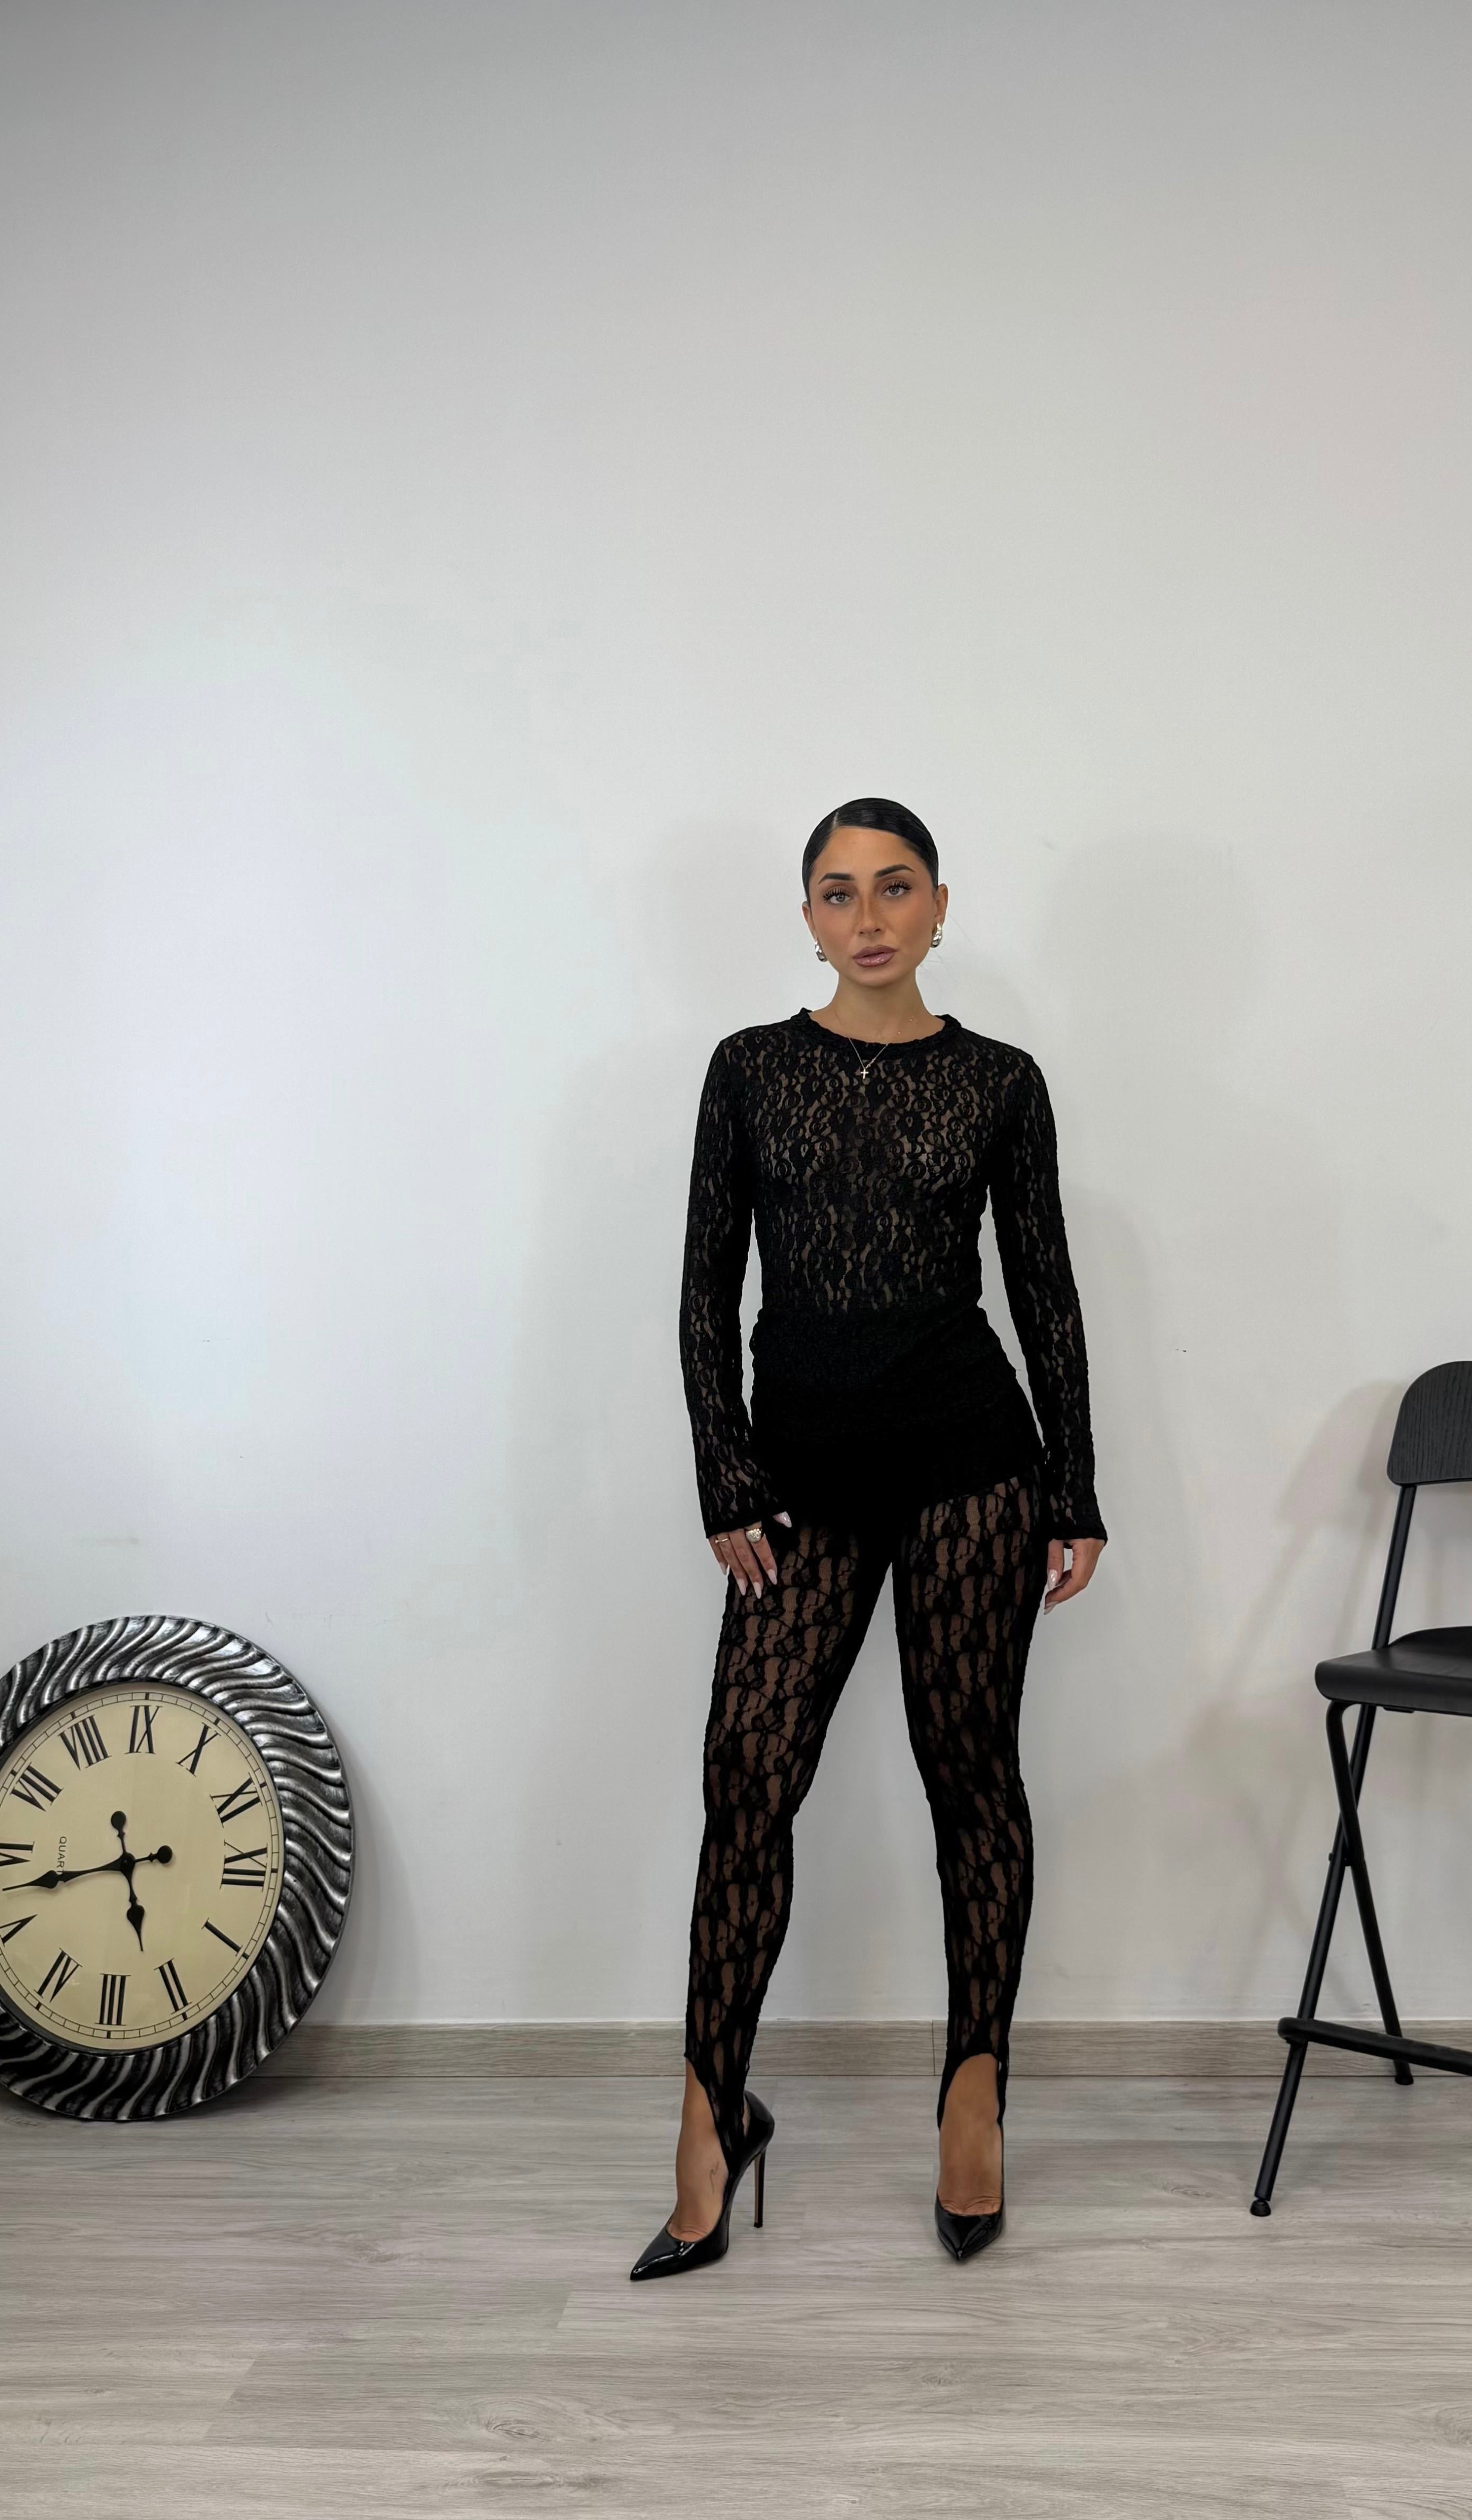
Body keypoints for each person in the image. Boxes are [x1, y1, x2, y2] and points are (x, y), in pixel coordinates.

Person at [629, 797, 1105, 2279]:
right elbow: (705, 1290)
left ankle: (975, 2095)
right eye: (837, 893)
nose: (869, 917)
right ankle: (710, 2120)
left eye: (895, 888)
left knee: (971, 1779)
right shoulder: (750, 1070)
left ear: (940, 906)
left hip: (972, 1470)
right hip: (798, 1486)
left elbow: (1044, 1291)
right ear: (808, 919)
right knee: (746, 1784)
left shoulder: (999, 1082)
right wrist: (724, 1475)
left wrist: (1074, 1489)